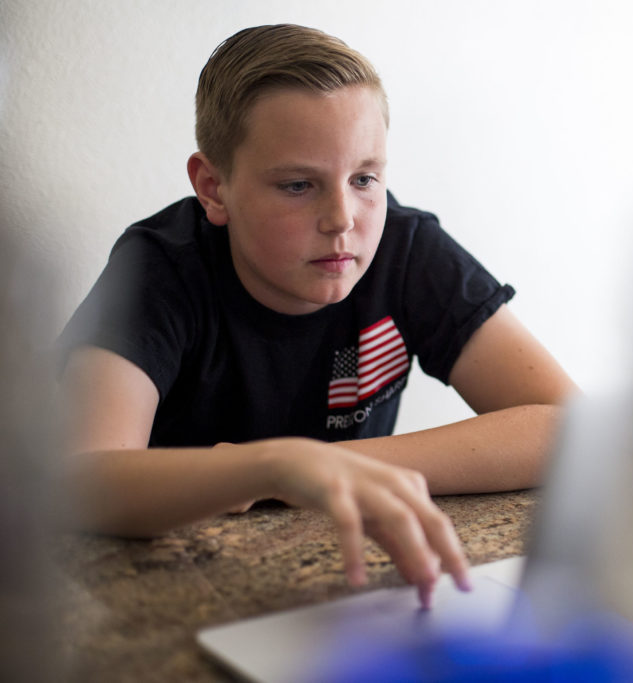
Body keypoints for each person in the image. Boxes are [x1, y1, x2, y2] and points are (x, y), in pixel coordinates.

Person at [56, 24, 577, 606]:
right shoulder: (159, 270)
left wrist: (324, 468)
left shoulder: (405, 249)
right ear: (214, 188)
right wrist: (272, 468)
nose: (342, 218)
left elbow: (569, 429)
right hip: (176, 590)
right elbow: (77, 479)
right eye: (299, 185)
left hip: (353, 586)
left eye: (364, 179)